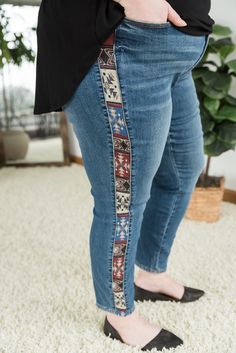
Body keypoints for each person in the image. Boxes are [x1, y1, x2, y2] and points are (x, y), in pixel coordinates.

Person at [33, 0, 214, 350]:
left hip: (177, 48)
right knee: (122, 197)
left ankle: (148, 272)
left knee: (182, 169)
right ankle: (118, 315)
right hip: (124, 42)